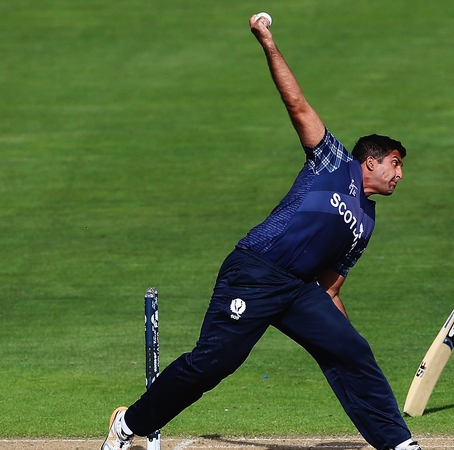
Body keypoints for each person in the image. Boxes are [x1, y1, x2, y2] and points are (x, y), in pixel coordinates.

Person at [102, 13, 422, 450]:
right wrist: (268, 43)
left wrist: (344, 334)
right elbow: (298, 105)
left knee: (353, 351)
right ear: (371, 160)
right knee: (213, 363)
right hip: (255, 270)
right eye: (396, 163)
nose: (399, 174)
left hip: (296, 290)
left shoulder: (366, 223)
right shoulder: (331, 162)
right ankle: (127, 424)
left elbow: (330, 287)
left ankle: (398, 443)